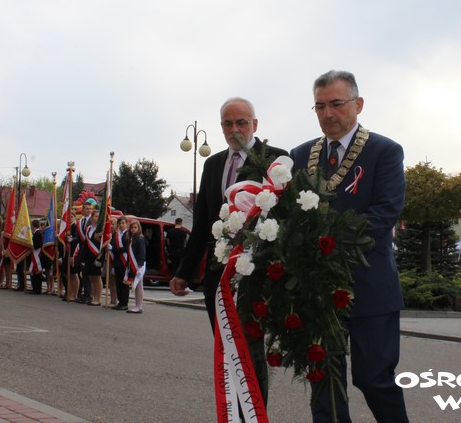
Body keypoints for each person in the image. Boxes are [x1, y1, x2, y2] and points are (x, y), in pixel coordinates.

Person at [290, 70, 408, 423]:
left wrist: (326, 242)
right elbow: (291, 215)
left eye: (337, 104)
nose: (328, 113)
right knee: (323, 381)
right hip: (317, 290)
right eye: (320, 106)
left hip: (369, 285)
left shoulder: (384, 151)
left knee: (375, 379)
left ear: (358, 104)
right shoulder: (301, 154)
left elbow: (384, 213)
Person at [171, 97, 288, 327]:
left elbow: (286, 219)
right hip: (218, 273)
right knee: (221, 341)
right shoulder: (212, 164)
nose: (234, 129)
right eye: (227, 123)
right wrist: (184, 272)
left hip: (259, 273)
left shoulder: (275, 159)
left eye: (241, 122)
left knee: (251, 345)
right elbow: (202, 222)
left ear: (255, 124)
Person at [126, 219, 147, 314]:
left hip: (139, 264)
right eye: (132, 227)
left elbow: (142, 252)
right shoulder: (132, 238)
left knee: (139, 284)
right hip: (132, 264)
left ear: (139, 228)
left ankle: (139, 306)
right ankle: (137, 305)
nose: (133, 229)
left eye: (135, 227)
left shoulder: (140, 238)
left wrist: (140, 264)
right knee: (136, 285)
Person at [110, 216, 130, 310]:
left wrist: (114, 249)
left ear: (126, 224)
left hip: (125, 261)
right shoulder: (116, 234)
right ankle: (120, 302)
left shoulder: (128, 234)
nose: (121, 225)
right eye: (120, 223)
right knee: (118, 283)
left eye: (123, 223)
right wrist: (112, 248)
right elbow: (113, 245)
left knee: (124, 283)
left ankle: (124, 303)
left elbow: (126, 248)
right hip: (117, 261)